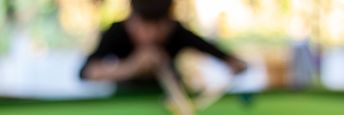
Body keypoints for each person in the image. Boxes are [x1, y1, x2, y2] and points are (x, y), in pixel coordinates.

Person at [79, 0, 246, 87]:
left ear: (170, 21)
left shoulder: (177, 32)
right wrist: (133, 67)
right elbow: (85, 73)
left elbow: (230, 60)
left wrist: (236, 66)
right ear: (131, 18)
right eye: (144, 25)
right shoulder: (116, 32)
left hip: (170, 102)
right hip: (123, 102)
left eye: (158, 26)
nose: (151, 34)